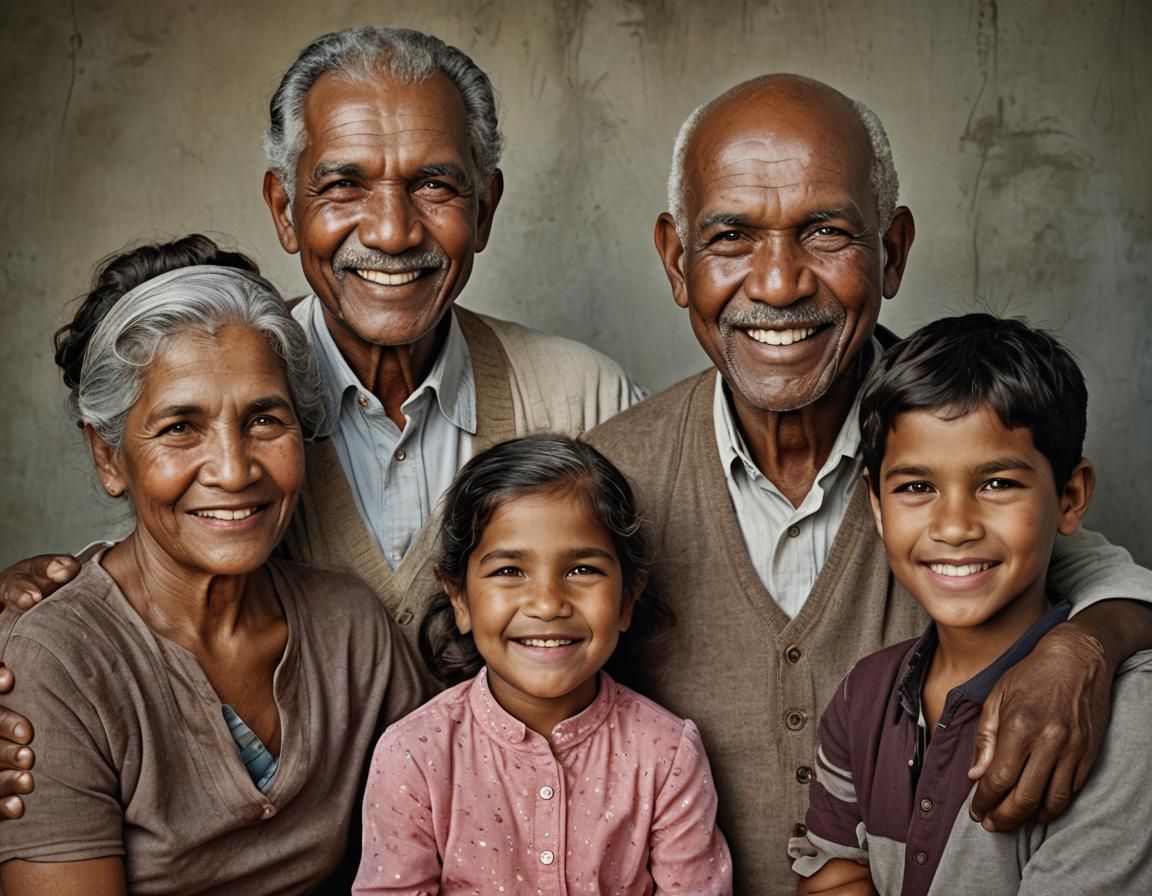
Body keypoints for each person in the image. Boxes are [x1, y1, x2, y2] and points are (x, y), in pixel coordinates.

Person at [0, 26, 644, 818]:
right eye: (344, 185)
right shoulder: (224, 385)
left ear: (485, 207)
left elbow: (653, 650)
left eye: (434, 185)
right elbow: (157, 574)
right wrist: (37, 618)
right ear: (284, 208)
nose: (391, 231)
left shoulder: (585, 401)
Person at [582, 74, 1152, 893]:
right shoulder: (607, 482)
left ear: (893, 250)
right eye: (732, 237)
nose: (779, 284)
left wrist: (1086, 645)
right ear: (678, 260)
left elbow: (1100, 572)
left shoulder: (961, 436)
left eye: (826, 232)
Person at [0, 236, 430, 894]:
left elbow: (443, 831)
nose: (233, 470)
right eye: (180, 427)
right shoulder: (58, 661)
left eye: (264, 419)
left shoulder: (350, 628)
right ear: (109, 457)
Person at [791, 314, 1152, 895]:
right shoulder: (864, 695)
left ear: (1070, 496)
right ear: (877, 507)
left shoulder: (1126, 716)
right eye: (916, 487)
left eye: (997, 483)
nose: (955, 526)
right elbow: (833, 876)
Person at [352, 435, 732, 894]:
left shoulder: (667, 756)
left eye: (582, 570)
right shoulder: (413, 756)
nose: (548, 604)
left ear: (628, 598)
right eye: (509, 571)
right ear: (459, 597)